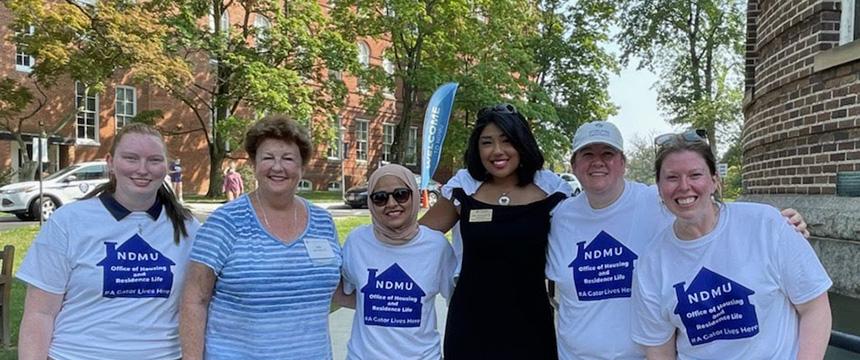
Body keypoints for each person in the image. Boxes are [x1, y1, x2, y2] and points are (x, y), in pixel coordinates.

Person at [546, 121, 811, 360]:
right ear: (574, 165)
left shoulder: (659, 199)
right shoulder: (558, 218)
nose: (598, 162)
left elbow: (707, 210)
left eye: (608, 154)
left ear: (623, 162)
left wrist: (785, 225)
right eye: (587, 154)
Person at [630, 131, 831, 359]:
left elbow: (814, 306)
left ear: (715, 181)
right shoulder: (652, 263)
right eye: (672, 177)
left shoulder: (766, 224)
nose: (684, 186)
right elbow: (659, 349)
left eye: (695, 174)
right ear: (659, 187)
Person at [16, 123, 199, 360]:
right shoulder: (69, 221)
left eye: (154, 160)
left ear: (166, 166)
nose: (142, 169)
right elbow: (39, 313)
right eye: (131, 158)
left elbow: (201, 303)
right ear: (110, 162)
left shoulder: (188, 228)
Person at [180, 115, 341, 359]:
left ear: (302, 167)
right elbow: (194, 299)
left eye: (288, 158)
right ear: (254, 164)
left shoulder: (322, 222)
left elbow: (335, 288)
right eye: (268, 158)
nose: (278, 167)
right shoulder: (225, 222)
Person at [419, 104, 568, 359]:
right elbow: (416, 240)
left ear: (523, 143)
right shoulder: (463, 190)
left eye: (507, 141)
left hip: (529, 323)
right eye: (487, 142)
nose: (497, 151)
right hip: (471, 324)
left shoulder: (552, 192)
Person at [338, 164, 457, 359]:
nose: (391, 203)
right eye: (380, 198)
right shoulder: (357, 242)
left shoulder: (436, 246)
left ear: (415, 195)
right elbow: (345, 292)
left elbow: (458, 300)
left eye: (401, 194)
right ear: (371, 202)